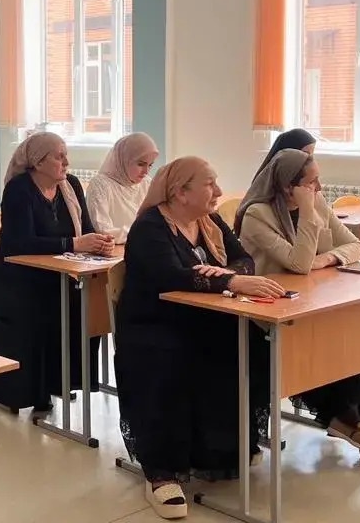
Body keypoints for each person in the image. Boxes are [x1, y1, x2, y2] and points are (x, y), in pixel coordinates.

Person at [114, 156, 284, 519]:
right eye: (209, 184)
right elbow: (171, 276)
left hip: (204, 317)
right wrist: (230, 280)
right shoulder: (150, 227)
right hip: (153, 325)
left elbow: (243, 260)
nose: (218, 191)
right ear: (180, 192)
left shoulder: (210, 221)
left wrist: (227, 274)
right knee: (171, 361)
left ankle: (216, 448)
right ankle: (160, 471)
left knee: (251, 346)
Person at [236, 150, 360, 468]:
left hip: (315, 301)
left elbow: (355, 244)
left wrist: (328, 258)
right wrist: (309, 214)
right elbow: (298, 263)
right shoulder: (258, 214)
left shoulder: (317, 202)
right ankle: (354, 426)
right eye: (311, 182)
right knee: (328, 347)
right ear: (287, 186)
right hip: (271, 314)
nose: (319, 188)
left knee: (356, 345)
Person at [0, 132, 113, 417]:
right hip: (16, 279)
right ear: (38, 162)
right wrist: (73, 244)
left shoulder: (71, 185)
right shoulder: (19, 189)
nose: (67, 162)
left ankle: (61, 382)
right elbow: (20, 242)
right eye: (59, 157)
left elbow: (85, 229)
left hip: (57, 275)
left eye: (66, 156)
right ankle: (31, 391)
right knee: (37, 317)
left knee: (85, 311)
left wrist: (99, 242)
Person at [85, 132, 160, 242]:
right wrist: (144, 233)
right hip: (116, 250)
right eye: (141, 164)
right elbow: (103, 231)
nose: (146, 171)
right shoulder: (100, 185)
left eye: (150, 165)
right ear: (124, 160)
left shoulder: (146, 183)